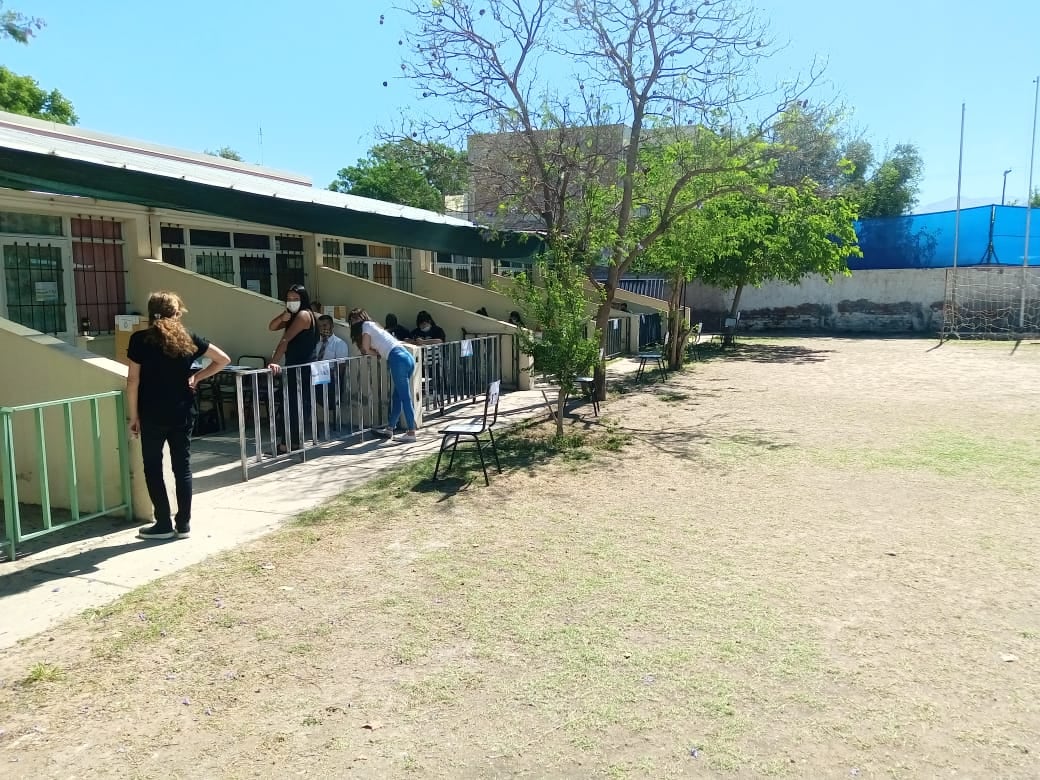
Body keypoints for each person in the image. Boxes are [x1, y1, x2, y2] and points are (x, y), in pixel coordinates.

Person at [127, 291, 230, 541]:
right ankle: (183, 524)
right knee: (182, 468)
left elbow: (132, 381)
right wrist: (196, 377)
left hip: (151, 413)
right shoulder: (189, 338)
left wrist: (133, 416)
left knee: (153, 467)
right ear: (177, 312)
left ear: (151, 313)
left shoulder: (140, 340)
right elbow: (223, 360)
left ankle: (162, 522)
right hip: (183, 411)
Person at [348, 308, 417, 443]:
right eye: (352, 319)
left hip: (397, 358)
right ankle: (390, 428)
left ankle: (411, 431)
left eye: (356, 318)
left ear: (363, 317)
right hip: (405, 357)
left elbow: (366, 349)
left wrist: (377, 354)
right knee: (398, 396)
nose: (354, 321)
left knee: (404, 397)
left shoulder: (366, 326)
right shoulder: (373, 325)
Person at [268, 284, 319, 453]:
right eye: (289, 299)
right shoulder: (292, 316)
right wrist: (284, 317)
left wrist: (273, 361)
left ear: (303, 299)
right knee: (291, 405)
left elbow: (285, 340)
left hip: (299, 368)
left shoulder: (304, 315)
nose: (291, 302)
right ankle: (291, 442)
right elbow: (272, 327)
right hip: (296, 366)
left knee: (293, 406)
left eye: (295, 299)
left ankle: (288, 444)